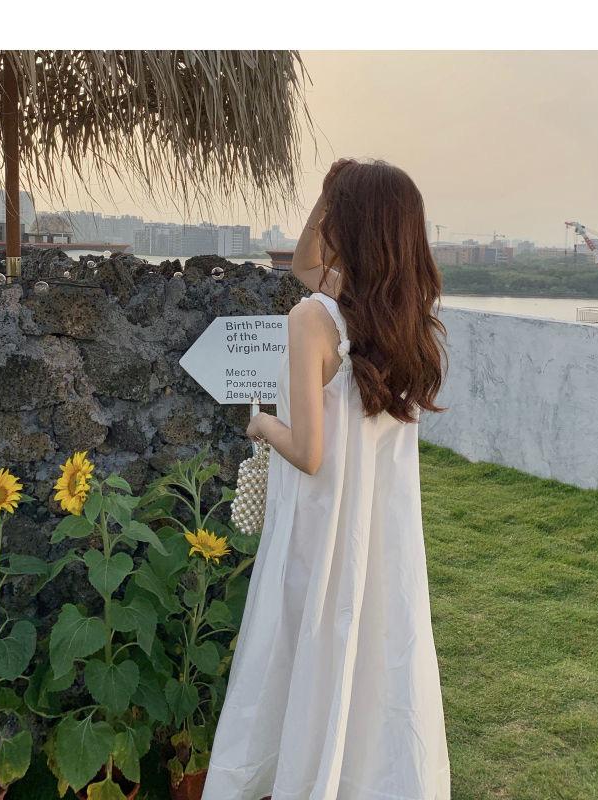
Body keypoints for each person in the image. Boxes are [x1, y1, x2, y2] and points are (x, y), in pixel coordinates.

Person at [201, 159, 451, 800]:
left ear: (348, 225)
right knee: (376, 659)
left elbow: (308, 453)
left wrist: (261, 423)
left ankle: (304, 778)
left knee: (303, 653)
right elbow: (303, 264)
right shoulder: (402, 320)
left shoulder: (314, 319)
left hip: (320, 524)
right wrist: (329, 193)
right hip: (380, 529)